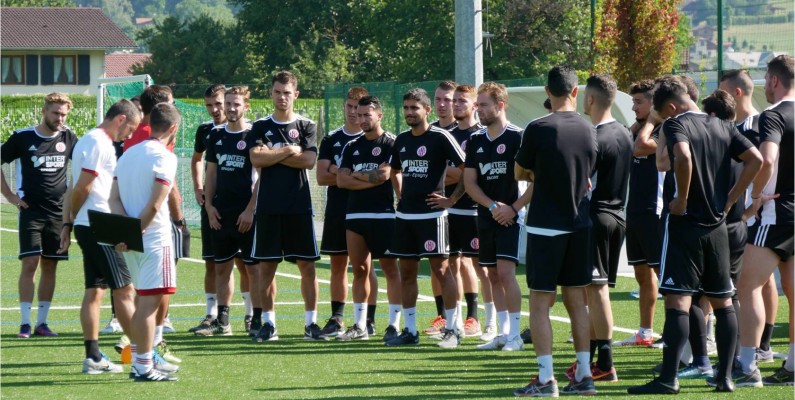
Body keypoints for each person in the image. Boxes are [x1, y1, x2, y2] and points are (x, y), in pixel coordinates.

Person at [627, 77, 762, 394]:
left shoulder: (676, 125)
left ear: (671, 107)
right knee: (723, 302)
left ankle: (668, 378)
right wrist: (731, 198)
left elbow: (684, 158)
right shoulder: (722, 125)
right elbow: (756, 159)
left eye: (663, 114)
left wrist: (683, 199)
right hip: (716, 226)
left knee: (677, 300)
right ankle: (725, 377)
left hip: (684, 225)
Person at [513, 66, 598, 397]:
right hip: (580, 224)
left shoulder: (537, 127)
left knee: (540, 302)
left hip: (546, 225)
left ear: (547, 91)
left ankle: (547, 378)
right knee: (577, 301)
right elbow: (588, 171)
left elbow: (520, 170)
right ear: (575, 92)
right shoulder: (590, 128)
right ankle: (585, 375)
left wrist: (539, 174)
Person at [385, 88, 466, 348]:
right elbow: (394, 170)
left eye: (414, 108)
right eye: (406, 108)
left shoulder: (441, 137)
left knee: (441, 270)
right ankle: (410, 331)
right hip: (405, 216)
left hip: (433, 216)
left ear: (427, 110)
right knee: (406, 273)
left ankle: (453, 329)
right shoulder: (401, 140)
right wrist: (401, 194)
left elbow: (467, 168)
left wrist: (451, 200)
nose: (409, 112)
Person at [566, 74, 632, 383]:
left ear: (589, 99)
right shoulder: (624, 132)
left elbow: (583, 182)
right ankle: (593, 360)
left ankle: (605, 363)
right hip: (617, 214)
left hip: (597, 216)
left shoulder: (594, 136)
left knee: (597, 289)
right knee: (595, 290)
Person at [68, 99, 141, 374]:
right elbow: (81, 188)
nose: (130, 135)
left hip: (92, 224)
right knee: (124, 289)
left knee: (95, 290)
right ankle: (142, 354)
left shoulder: (89, 140)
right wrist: (74, 217)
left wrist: (70, 222)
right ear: (121, 119)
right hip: (97, 225)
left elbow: (78, 187)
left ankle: (93, 357)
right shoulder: (99, 142)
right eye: (130, 128)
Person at [248, 71, 322, 341]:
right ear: (271, 93)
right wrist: (289, 150)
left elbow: (309, 162)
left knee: (308, 266)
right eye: (278, 92)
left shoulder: (306, 125)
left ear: (296, 94)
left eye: (287, 92)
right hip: (268, 206)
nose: (282, 97)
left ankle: (311, 324)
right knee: (267, 266)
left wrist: (272, 155)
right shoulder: (259, 126)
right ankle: (269, 324)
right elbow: (256, 158)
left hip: (298, 205)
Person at [110, 102, 182, 382]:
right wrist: (134, 232)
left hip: (130, 240)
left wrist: (124, 233)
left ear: (150, 125)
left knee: (144, 301)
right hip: (153, 239)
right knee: (148, 306)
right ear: (174, 128)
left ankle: (145, 359)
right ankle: (142, 366)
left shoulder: (127, 153)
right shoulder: (164, 157)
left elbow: (113, 199)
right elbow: (154, 206)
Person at [736, 54, 795, 387]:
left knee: (748, 286)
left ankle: (746, 367)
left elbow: (767, 160)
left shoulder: (773, 115)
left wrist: (755, 198)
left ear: (774, 80)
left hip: (776, 212)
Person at [719, 69, 784, 363]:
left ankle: (760, 347)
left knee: (759, 280)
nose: (716, 98)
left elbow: (767, 162)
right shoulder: (728, 126)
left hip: (759, 212)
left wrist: (754, 200)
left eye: (721, 91)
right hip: (740, 213)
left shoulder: (761, 123)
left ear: (736, 93)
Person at [1, 93, 78, 339]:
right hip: (30, 211)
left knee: (50, 265)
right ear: (44, 111)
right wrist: (10, 196)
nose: (60, 118)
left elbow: (87, 167)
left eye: (64, 114)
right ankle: (24, 323)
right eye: (56, 113)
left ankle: (42, 323)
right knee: (30, 263)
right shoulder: (23, 137)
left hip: (58, 213)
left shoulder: (69, 137)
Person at [463, 82, 527, 352]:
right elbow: (470, 183)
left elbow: (534, 181)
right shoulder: (476, 140)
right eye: (477, 105)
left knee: (505, 272)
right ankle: (502, 333)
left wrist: (511, 208)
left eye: (484, 105)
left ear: (500, 105)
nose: (478, 110)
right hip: (487, 215)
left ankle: (515, 336)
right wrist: (492, 207)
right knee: (491, 275)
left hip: (513, 216)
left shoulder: (518, 136)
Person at [188, 84, 254, 335]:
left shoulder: (253, 133)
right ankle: (214, 317)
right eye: (211, 105)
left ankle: (252, 316)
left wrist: (251, 207)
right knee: (214, 263)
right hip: (216, 210)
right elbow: (202, 164)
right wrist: (202, 194)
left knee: (248, 265)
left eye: (221, 103)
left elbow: (259, 175)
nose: (217, 109)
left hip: (245, 210)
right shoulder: (209, 132)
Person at [335, 95, 402, 341]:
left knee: (390, 270)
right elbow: (342, 180)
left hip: (383, 215)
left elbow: (384, 175)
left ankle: (394, 324)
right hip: (355, 215)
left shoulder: (392, 143)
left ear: (379, 115)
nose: (362, 119)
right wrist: (368, 175)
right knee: (360, 269)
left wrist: (358, 175)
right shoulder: (351, 146)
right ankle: (360, 325)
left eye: (367, 115)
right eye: (359, 115)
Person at [316, 87, 377, 338]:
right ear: (344, 107)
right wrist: (359, 176)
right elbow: (321, 176)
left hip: (368, 208)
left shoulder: (376, 140)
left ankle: (368, 319)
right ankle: (337, 318)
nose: (354, 113)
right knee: (338, 264)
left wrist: (342, 173)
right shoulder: (332, 139)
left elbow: (382, 177)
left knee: (366, 267)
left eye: (358, 109)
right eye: (350, 107)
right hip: (338, 208)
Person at [614, 80, 664, 349]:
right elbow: (622, 142)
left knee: (663, 274)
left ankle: (675, 331)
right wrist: (641, 120)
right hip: (635, 210)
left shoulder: (664, 130)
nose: (633, 107)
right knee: (642, 275)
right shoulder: (640, 128)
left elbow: (639, 147)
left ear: (654, 105)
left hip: (655, 211)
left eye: (638, 102)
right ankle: (645, 332)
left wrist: (652, 118)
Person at [446, 84, 489, 339]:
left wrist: (454, 176)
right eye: (455, 101)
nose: (455, 105)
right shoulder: (446, 134)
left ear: (474, 105)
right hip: (451, 210)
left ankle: (478, 318)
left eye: (462, 101)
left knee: (482, 266)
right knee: (452, 263)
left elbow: (470, 174)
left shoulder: (481, 134)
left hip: (475, 209)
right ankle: (457, 321)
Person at [425, 80, 461, 335]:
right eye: (437, 99)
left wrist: (436, 171)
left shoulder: (464, 131)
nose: (442, 104)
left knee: (461, 265)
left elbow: (465, 174)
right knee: (437, 264)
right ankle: (441, 315)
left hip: (462, 205)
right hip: (434, 207)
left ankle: (468, 317)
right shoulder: (428, 131)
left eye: (447, 99)